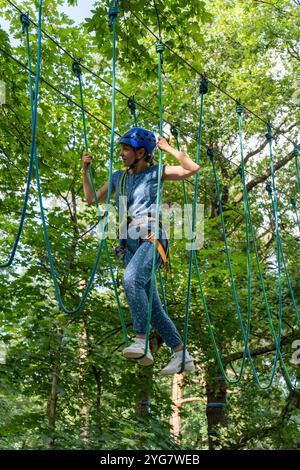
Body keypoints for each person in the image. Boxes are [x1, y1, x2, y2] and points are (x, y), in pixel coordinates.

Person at [82, 127, 200, 375]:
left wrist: (167, 148)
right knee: (154, 310)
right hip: (130, 245)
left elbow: (192, 168)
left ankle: (141, 340)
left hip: (151, 237)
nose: (122, 154)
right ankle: (181, 354)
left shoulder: (157, 172)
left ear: (141, 152)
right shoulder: (118, 177)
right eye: (122, 149)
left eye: (126, 149)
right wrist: (85, 171)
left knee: (131, 279)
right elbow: (92, 198)